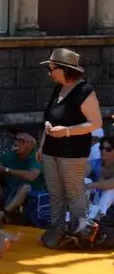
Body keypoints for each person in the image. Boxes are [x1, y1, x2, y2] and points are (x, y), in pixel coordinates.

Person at [37, 48, 102, 245]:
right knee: (55, 193)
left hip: (72, 153)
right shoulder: (59, 88)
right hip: (51, 150)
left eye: (51, 68)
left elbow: (96, 123)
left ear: (65, 69)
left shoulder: (85, 92)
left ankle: (81, 234)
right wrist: (42, 145)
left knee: (74, 194)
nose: (49, 72)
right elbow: (49, 119)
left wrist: (66, 131)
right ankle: (57, 232)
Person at [0, 131, 44, 225]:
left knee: (26, 187)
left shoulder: (37, 157)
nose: (17, 143)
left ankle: (1, 215)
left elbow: (31, 176)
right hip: (8, 195)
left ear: (31, 144)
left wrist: (5, 169)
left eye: (21, 141)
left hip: (30, 200)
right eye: (16, 140)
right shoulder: (8, 156)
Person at [86, 136, 114, 218]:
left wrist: (89, 186)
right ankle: (92, 213)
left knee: (110, 189)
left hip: (108, 197)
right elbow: (80, 176)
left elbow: (111, 184)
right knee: (85, 180)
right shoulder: (94, 163)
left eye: (108, 149)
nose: (103, 151)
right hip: (98, 198)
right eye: (101, 148)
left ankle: (98, 215)